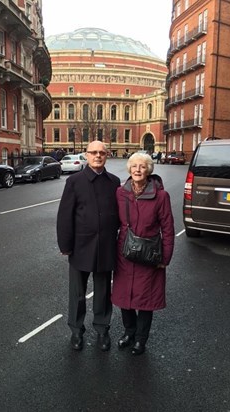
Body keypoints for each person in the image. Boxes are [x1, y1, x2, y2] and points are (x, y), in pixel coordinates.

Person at [57, 140, 120, 351]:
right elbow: (65, 215)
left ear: (107, 155)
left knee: (103, 292)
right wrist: (65, 245)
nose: (98, 156)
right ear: (86, 155)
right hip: (80, 245)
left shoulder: (114, 181)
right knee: (77, 293)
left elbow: (119, 214)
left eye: (102, 152)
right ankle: (76, 330)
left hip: (105, 246)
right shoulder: (74, 181)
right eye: (93, 152)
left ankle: (102, 330)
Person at [112, 152, 174, 355]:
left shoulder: (161, 196)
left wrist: (165, 258)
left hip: (150, 253)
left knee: (145, 299)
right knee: (124, 296)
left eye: (143, 166)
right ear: (129, 169)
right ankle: (129, 332)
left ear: (149, 170)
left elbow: (168, 228)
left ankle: (140, 339)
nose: (138, 170)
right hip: (125, 251)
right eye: (134, 166)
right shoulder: (121, 193)